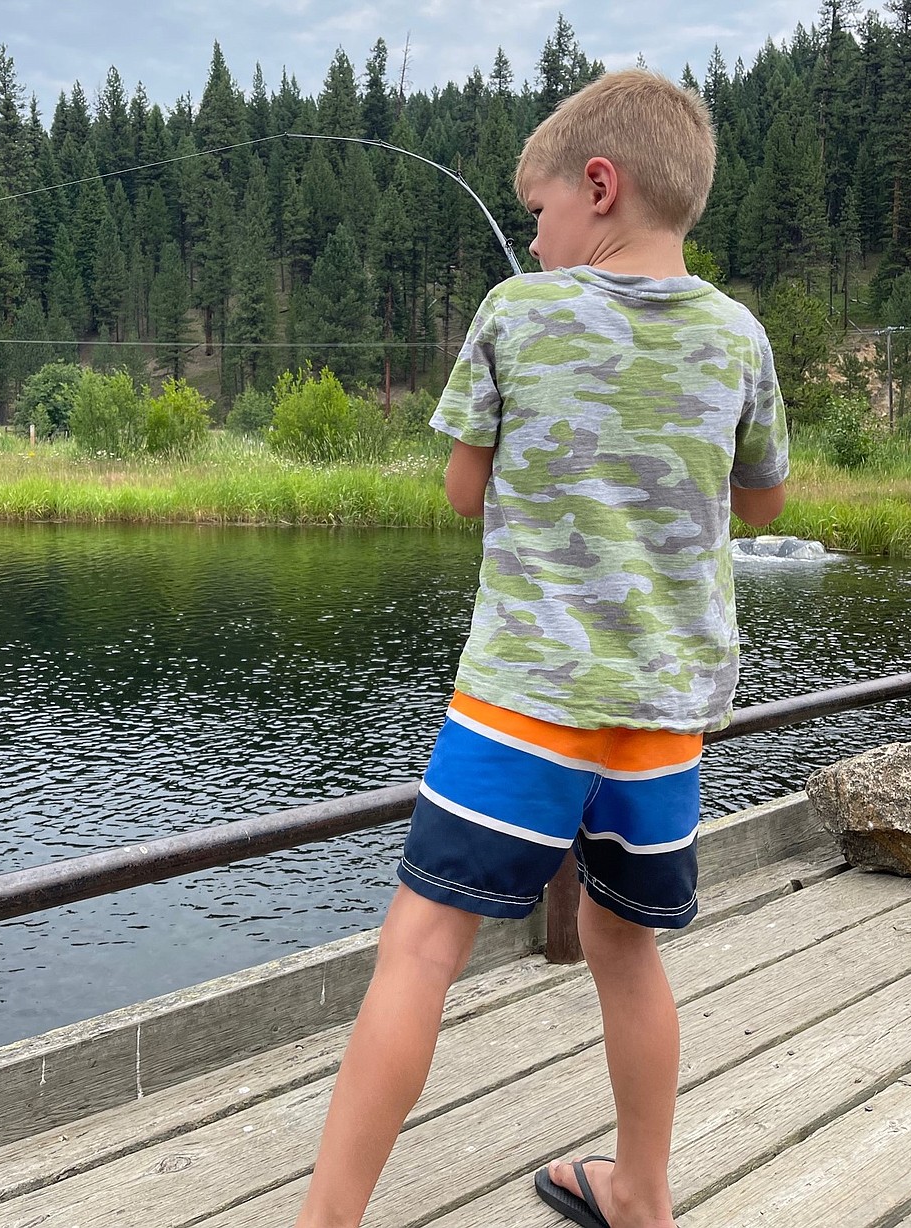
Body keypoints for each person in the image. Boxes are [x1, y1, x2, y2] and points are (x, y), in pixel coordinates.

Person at [293, 68, 788, 1228]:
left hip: (523, 706)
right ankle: (645, 1198)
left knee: (419, 948)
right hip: (661, 725)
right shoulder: (739, 335)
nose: (534, 233)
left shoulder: (516, 314)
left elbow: (464, 491)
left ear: (599, 187)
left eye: (540, 212)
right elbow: (761, 505)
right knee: (627, 947)